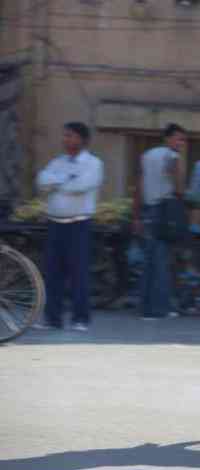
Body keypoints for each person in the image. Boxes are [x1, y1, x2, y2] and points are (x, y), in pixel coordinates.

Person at [35, 122, 104, 331]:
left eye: (71, 136)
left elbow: (81, 186)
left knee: (78, 274)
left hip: (79, 224)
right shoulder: (58, 162)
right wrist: (64, 179)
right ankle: (52, 319)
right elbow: (41, 181)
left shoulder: (93, 163)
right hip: (55, 224)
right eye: (65, 136)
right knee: (53, 273)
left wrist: (56, 184)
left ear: (82, 140)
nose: (66, 140)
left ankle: (80, 319)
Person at [133, 123, 187, 320]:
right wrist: (180, 189)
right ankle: (159, 309)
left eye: (183, 140)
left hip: (148, 210)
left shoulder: (147, 156)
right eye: (178, 139)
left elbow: (138, 184)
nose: (180, 143)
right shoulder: (172, 156)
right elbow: (176, 181)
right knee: (161, 262)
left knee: (149, 262)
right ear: (167, 139)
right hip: (164, 211)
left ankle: (144, 308)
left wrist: (136, 215)